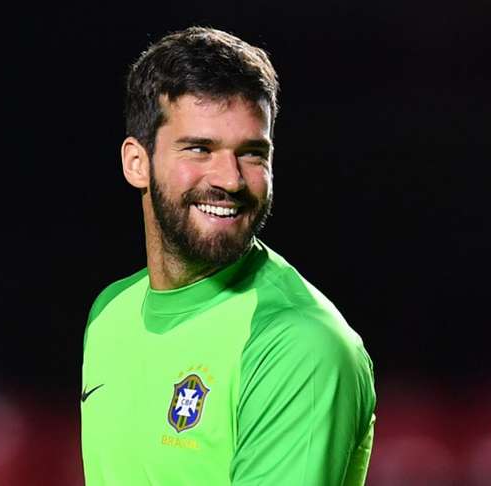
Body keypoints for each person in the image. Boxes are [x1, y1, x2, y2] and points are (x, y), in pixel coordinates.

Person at [80, 27, 376, 485]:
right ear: (137, 163)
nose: (231, 180)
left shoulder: (300, 345)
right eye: (200, 149)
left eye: (253, 154)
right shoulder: (109, 314)